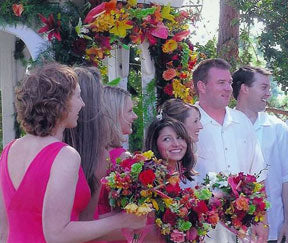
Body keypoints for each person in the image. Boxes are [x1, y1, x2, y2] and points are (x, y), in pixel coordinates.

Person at [0, 63, 146, 242]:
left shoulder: (9, 150)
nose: (83, 104)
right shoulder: (64, 155)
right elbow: (57, 234)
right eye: (77, 96)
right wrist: (122, 220)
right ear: (61, 102)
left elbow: (3, 228)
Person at [192, 58, 268, 242]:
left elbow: (258, 176)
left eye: (229, 83)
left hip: (241, 231)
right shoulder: (184, 121)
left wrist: (262, 221)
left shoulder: (242, 121)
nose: (228, 88)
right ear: (202, 86)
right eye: (221, 83)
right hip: (200, 229)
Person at [232, 66, 288, 243]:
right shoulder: (225, 126)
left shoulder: (278, 128)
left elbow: (286, 178)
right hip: (232, 230)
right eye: (263, 87)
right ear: (244, 89)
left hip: (273, 229)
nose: (268, 93)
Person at [144, 117, 197, 185]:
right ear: (155, 144)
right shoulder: (151, 180)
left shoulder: (192, 178)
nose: (176, 144)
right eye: (167, 139)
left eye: (179, 137)